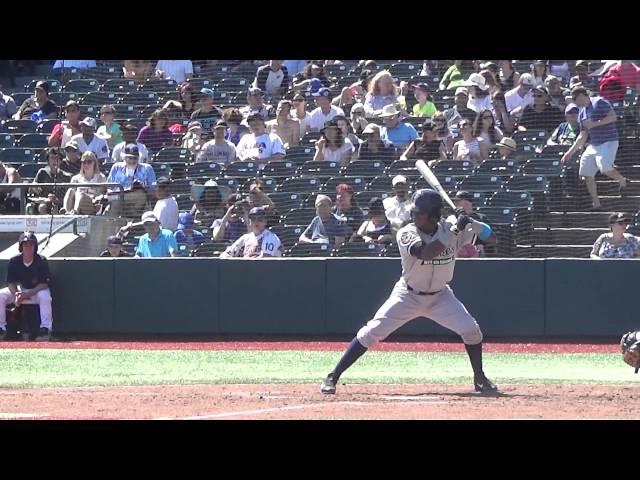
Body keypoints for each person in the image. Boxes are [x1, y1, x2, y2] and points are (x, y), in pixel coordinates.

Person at [320, 189, 497, 395]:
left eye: (420, 212)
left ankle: (480, 378)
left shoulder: (450, 228)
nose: (414, 215)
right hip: (408, 295)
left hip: (441, 296)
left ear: (433, 215)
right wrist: (455, 230)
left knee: (472, 331)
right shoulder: (407, 232)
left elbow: (492, 238)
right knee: (371, 332)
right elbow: (426, 253)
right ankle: (333, 376)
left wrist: (472, 223)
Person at [561, 86, 628, 209]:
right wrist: (569, 153)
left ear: (581, 96)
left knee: (605, 168)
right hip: (594, 145)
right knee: (586, 172)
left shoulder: (599, 102)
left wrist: (595, 124)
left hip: (608, 141)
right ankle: (596, 203)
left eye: (575, 99)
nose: (575, 102)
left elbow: (613, 117)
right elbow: (583, 135)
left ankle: (622, 180)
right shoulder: (581, 112)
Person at [0, 232, 53, 341]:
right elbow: (10, 282)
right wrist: (17, 294)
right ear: (21, 247)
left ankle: (45, 328)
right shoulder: (14, 261)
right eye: (25, 244)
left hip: (36, 292)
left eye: (31, 244)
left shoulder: (41, 260)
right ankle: (1, 328)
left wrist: (27, 294)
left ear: (35, 246)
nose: (28, 247)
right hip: (20, 292)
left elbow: (44, 283)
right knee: (1, 295)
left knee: (45, 297)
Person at [106, 144, 157, 218]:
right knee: (113, 204)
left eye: (135, 158)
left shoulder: (147, 169)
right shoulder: (116, 168)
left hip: (139, 200)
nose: (132, 161)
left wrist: (142, 187)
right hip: (118, 197)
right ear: (124, 157)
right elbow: (109, 186)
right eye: (129, 158)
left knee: (140, 195)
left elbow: (153, 189)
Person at [446, 191, 496, 258]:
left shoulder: (481, 218)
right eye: (455, 201)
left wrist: (480, 247)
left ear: (468, 202)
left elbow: (492, 239)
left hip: (477, 257)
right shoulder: (451, 219)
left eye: (458, 201)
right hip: (455, 255)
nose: (455, 203)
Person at [28, 147, 70, 215]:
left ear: (61, 160)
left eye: (57, 158)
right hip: (44, 204)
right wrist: (33, 187)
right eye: (52, 158)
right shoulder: (42, 173)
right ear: (48, 160)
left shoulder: (67, 177)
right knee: (42, 207)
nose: (55, 161)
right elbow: (30, 190)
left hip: (61, 206)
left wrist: (57, 200)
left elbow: (70, 199)